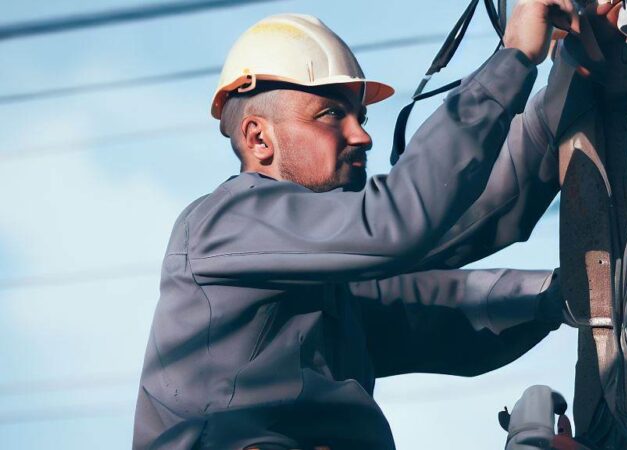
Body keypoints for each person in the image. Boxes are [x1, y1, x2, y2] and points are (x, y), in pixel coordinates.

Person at [133, 1, 583, 449]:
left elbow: (449, 253)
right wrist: (514, 58)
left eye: (360, 117)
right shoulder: (221, 224)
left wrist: (573, 75)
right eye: (330, 114)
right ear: (258, 138)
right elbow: (402, 219)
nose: (362, 135)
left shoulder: (321, 293)